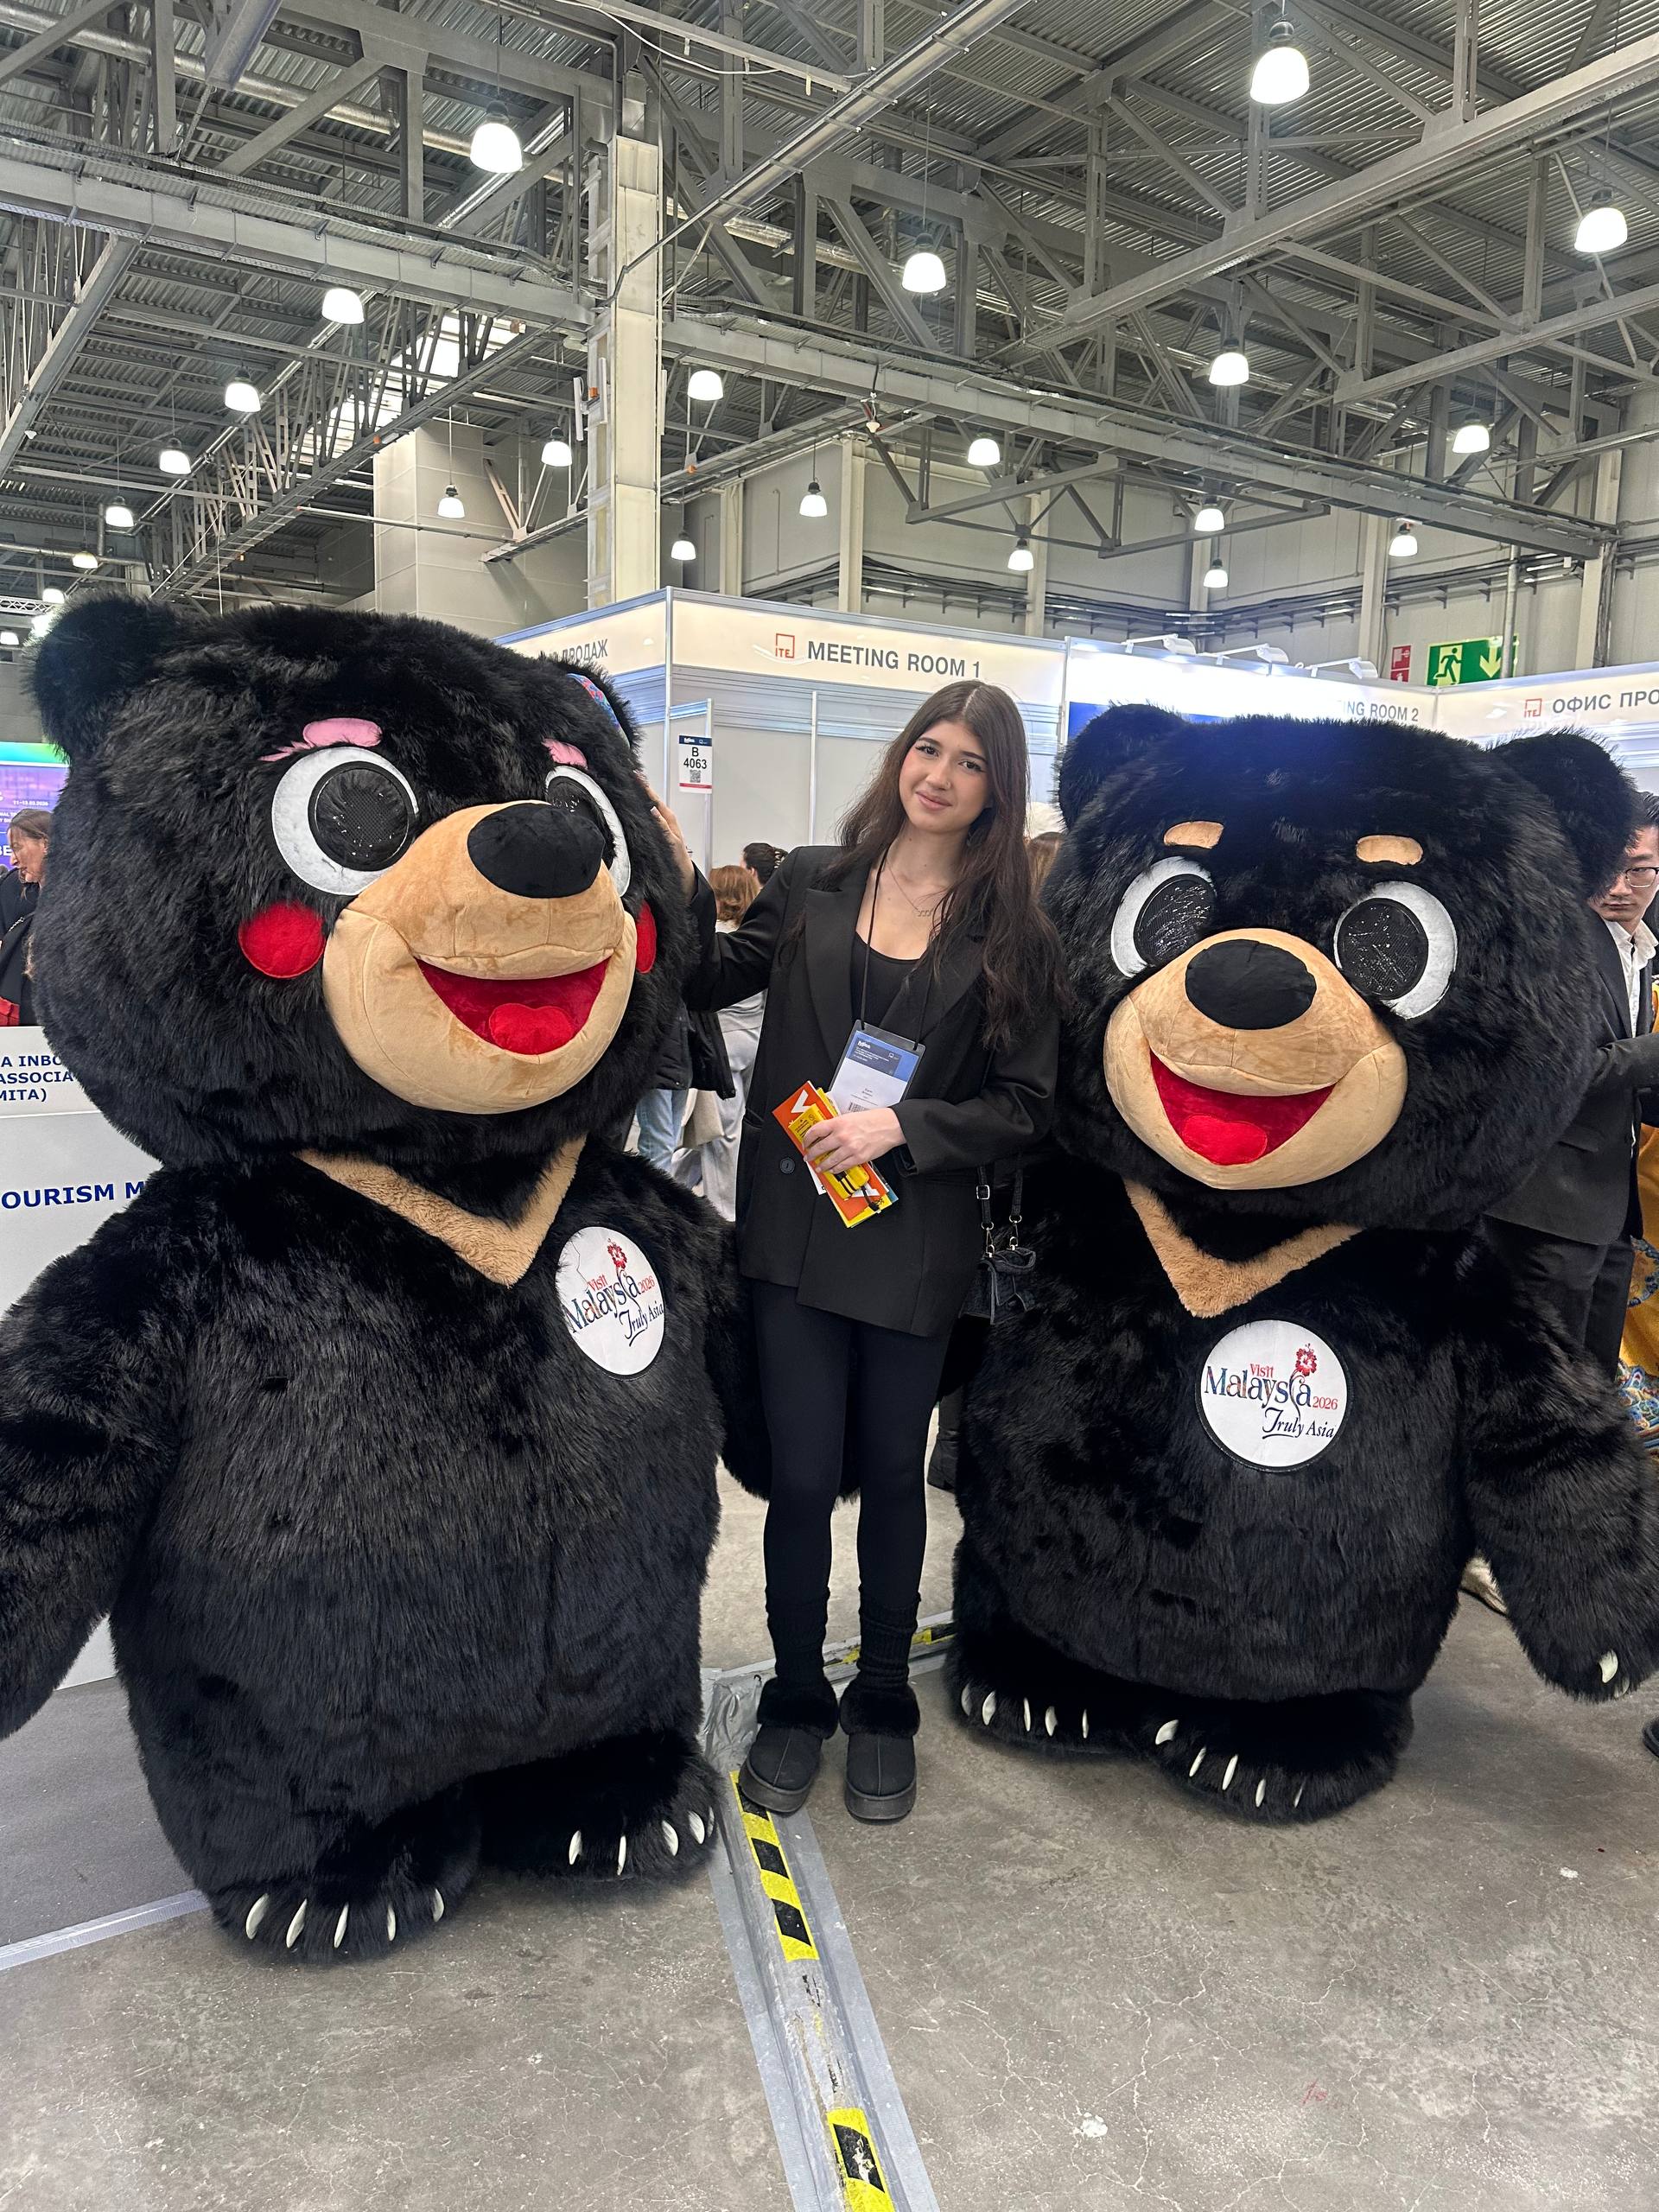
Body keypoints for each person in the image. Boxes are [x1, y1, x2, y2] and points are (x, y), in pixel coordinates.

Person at [655, 680, 1061, 1826]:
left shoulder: (1014, 933)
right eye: (930, 748)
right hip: (791, 1233)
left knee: (890, 1476)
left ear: (997, 789)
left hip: (910, 1235)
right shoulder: (813, 881)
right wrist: (671, 867)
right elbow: (706, 976)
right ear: (901, 756)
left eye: (970, 762)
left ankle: (883, 1697)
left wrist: (906, 1128)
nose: (941, 775)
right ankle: (797, 1693)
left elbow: (1031, 1106)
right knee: (796, 1482)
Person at [1486, 792, 1659, 1376]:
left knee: (1594, 1377)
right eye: (1608, 867)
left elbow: (1628, 1083)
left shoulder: (1640, 951)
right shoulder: (1557, 945)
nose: (1619, 887)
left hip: (1608, 1207)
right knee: (1545, 1379)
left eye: (1639, 871)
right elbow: (1551, 1071)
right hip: (1548, 1205)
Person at [675, 864, 765, 1219]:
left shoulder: (712, 940)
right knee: (727, 1128)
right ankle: (677, 1189)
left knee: (721, 1134)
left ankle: (726, 1213)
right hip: (755, 1038)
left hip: (722, 1045)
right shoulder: (754, 939)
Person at [0, 807, 50, 1025]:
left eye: (18, 848)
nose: (13, 860)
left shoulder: (88, 900)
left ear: (46, 844)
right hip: (16, 1023)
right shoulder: (12, 889)